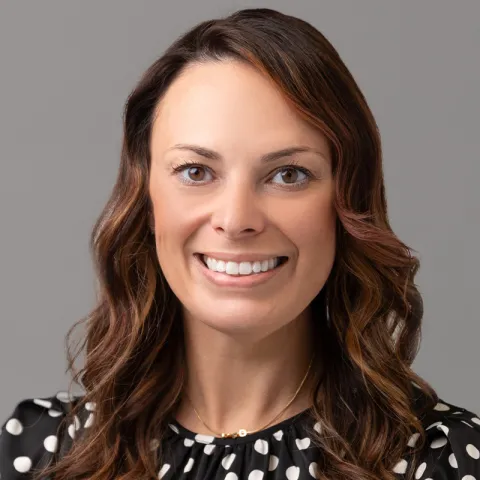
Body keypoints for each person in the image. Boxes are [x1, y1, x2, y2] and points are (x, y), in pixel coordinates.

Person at [1, 7, 479, 480]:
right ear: (146, 202)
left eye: (288, 175)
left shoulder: (445, 462)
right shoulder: (39, 453)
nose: (235, 220)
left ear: (346, 201)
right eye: (196, 172)